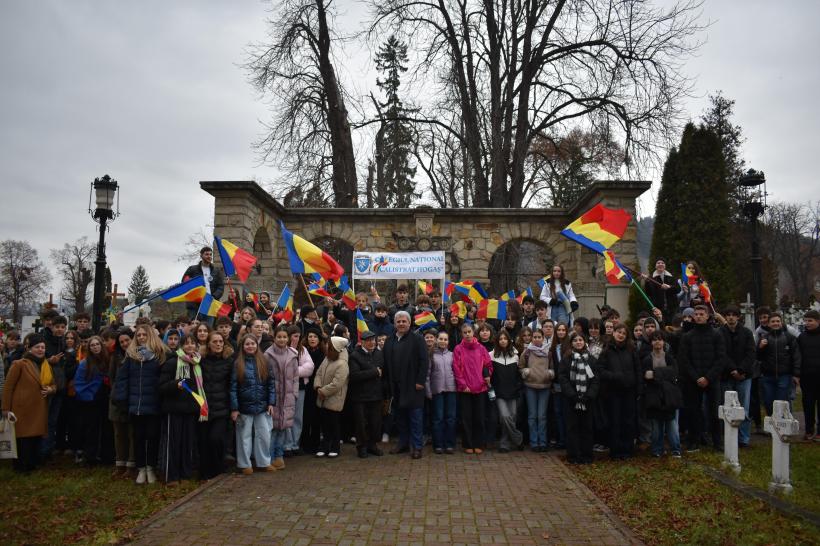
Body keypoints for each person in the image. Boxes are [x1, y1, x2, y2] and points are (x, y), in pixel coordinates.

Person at [114, 324, 165, 484]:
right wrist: (122, 401)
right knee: (138, 437)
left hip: (153, 404)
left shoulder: (159, 356)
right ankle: (141, 468)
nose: (141, 337)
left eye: (144, 335)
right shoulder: (131, 356)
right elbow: (122, 379)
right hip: (135, 405)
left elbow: (163, 379)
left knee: (152, 436)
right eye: (139, 335)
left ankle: (151, 467)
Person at [2, 334, 54, 472]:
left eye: (43, 347)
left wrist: (50, 389)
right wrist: (5, 408)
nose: (41, 350)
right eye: (37, 347)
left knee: (35, 438)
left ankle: (31, 464)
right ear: (29, 348)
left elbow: (53, 384)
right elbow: (8, 387)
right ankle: (20, 466)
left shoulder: (46, 365)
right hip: (22, 408)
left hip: (39, 408)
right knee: (23, 439)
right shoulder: (19, 364)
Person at [678, 305, 726, 452]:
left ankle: (717, 442)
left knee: (714, 412)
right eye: (696, 314)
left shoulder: (717, 335)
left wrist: (708, 377)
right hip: (694, 381)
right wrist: (696, 377)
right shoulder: (687, 336)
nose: (698, 316)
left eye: (701, 314)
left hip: (712, 379)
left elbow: (721, 358)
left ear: (707, 316)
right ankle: (694, 441)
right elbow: (684, 360)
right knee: (694, 411)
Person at [158, 334, 204, 485]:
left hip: (191, 409)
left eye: (193, 343)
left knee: (187, 443)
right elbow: (161, 386)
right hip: (174, 409)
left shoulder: (197, 363)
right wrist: (175, 384)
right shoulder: (172, 363)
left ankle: (185, 474)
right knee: (174, 443)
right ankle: (172, 475)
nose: (190, 346)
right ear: (181, 346)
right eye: (186, 344)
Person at [383, 311, 429, 459]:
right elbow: (385, 363)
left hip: (413, 386)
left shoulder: (417, 339)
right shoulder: (389, 340)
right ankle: (403, 443)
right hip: (396, 387)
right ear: (395, 324)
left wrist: (420, 382)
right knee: (400, 418)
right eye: (399, 321)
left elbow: (424, 361)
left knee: (415, 418)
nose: (401, 324)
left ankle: (417, 447)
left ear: (409, 323)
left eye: (404, 321)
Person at [231, 335, 276, 474]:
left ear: (257, 345)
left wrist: (271, 402)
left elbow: (271, 384)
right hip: (244, 407)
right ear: (242, 347)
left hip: (262, 406)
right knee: (244, 436)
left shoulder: (264, 362)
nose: (250, 346)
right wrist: (234, 408)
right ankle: (245, 464)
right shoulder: (238, 364)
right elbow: (233, 387)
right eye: (247, 344)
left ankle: (264, 462)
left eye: (253, 344)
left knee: (264, 435)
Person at [597, 323, 639, 460]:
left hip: (629, 391)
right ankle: (615, 451)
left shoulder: (631, 350)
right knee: (614, 421)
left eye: (623, 333)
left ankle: (627, 450)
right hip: (612, 392)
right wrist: (614, 376)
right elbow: (600, 370)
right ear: (613, 333)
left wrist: (638, 387)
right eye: (618, 332)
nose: (620, 335)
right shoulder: (607, 350)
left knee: (628, 421)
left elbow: (638, 369)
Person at [559, 333, 600, 464]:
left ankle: (587, 455)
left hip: (587, 400)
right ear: (571, 343)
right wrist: (572, 395)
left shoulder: (591, 359)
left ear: (585, 342)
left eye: (580, 340)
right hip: (571, 400)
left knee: (587, 428)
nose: (578, 342)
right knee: (572, 428)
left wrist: (589, 395)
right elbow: (562, 378)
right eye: (575, 340)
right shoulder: (566, 359)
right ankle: (574, 456)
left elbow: (595, 379)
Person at [452, 323, 493, 454]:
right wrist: (463, 385)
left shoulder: (481, 348)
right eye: (465, 332)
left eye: (469, 331)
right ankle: (468, 444)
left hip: (480, 388)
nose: (468, 334)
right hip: (465, 390)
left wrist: (487, 376)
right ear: (461, 334)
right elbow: (456, 369)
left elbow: (488, 365)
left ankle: (479, 443)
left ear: (473, 332)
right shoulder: (458, 349)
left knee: (479, 417)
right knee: (466, 418)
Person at [719, 304, 756, 448]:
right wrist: (732, 369)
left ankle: (743, 438)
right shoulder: (720, 332)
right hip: (727, 375)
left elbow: (751, 353)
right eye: (728, 315)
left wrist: (741, 370)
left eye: (733, 315)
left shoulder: (746, 333)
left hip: (744, 376)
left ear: (738, 317)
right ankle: (729, 436)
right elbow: (722, 353)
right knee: (728, 408)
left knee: (743, 408)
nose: (730, 317)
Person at [640, 331, 682, 457]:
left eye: (660, 339)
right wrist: (663, 374)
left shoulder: (669, 357)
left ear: (664, 341)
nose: (657, 342)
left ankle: (676, 449)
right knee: (656, 425)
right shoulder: (647, 359)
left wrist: (656, 373)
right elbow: (646, 375)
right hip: (654, 395)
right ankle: (657, 450)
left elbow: (674, 373)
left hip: (669, 396)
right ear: (651, 342)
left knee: (672, 424)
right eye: (654, 339)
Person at [264, 325, 300, 470]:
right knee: (272, 429)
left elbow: (296, 377)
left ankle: (279, 456)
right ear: (274, 338)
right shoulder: (268, 355)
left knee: (283, 429)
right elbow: (265, 377)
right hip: (274, 398)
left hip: (288, 397)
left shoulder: (292, 354)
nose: (282, 339)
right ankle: (269, 457)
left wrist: (295, 394)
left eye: (284, 337)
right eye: (279, 337)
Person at [199, 331, 233, 479]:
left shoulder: (229, 361)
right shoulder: (201, 360)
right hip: (204, 407)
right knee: (204, 441)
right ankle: (206, 472)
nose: (218, 344)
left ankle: (218, 468)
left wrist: (233, 407)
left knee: (216, 438)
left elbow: (232, 385)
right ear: (208, 344)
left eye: (221, 342)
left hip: (222, 407)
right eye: (215, 342)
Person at [73, 336, 111, 465]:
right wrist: (89, 396)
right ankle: (90, 456)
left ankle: (105, 455)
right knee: (91, 428)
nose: (95, 347)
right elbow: (79, 383)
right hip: (91, 400)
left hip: (104, 398)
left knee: (105, 428)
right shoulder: (85, 363)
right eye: (92, 345)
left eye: (97, 344)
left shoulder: (107, 360)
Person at [348, 330, 385, 458]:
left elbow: (384, 372)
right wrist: (374, 372)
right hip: (360, 396)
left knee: (375, 422)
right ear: (362, 342)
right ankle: (362, 446)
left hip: (376, 394)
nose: (372, 343)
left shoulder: (379, 354)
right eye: (368, 341)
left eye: (373, 340)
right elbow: (354, 375)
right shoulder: (354, 355)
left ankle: (372, 445)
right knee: (361, 423)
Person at [757, 311, 801, 417]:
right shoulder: (764, 338)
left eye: (778, 321)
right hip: (768, 376)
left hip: (784, 376)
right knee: (768, 402)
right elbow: (757, 357)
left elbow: (796, 356)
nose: (775, 323)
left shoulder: (789, 337)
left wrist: (796, 374)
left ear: (781, 323)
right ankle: (773, 427)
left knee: (782, 402)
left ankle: (783, 427)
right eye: (773, 321)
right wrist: (760, 348)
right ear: (769, 324)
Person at [313, 336, 350, 458]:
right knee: (324, 425)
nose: (327, 346)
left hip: (334, 399)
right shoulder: (327, 359)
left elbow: (337, 383)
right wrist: (318, 387)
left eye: (330, 345)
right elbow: (318, 373)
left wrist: (323, 391)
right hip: (322, 397)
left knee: (334, 424)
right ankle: (324, 447)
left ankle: (335, 447)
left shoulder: (342, 364)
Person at [518, 328, 554, 451]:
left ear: (543, 338)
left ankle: (543, 442)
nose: (537, 339)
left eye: (539, 337)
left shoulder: (548, 353)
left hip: (544, 387)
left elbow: (553, 367)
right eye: (535, 337)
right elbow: (520, 366)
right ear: (532, 339)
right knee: (532, 416)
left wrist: (550, 374)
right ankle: (534, 442)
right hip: (530, 387)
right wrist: (525, 372)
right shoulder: (527, 352)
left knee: (542, 416)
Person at [284, 325, 315, 456]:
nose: (296, 338)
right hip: (286, 387)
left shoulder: (303, 350)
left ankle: (295, 444)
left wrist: (294, 371)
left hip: (301, 387)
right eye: (294, 336)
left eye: (298, 336)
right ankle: (287, 445)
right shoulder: (283, 349)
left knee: (298, 417)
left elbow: (309, 367)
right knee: (287, 416)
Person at [490, 330, 522, 452]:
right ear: (497, 341)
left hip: (513, 392)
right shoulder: (491, 355)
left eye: (505, 338)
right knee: (504, 416)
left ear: (509, 340)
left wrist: (517, 387)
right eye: (500, 339)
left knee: (512, 417)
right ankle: (518, 438)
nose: (503, 340)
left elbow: (518, 375)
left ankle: (505, 444)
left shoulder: (515, 356)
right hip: (499, 392)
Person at [109, 328, 135, 476]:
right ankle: (120, 463)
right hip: (117, 400)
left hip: (132, 398)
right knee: (119, 433)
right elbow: (111, 377)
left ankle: (131, 465)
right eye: (122, 342)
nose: (125, 343)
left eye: (127, 340)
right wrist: (117, 394)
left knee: (132, 433)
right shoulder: (115, 357)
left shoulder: (137, 355)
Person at [426, 331, 456, 454]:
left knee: (451, 418)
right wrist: (428, 391)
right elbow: (427, 375)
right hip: (436, 390)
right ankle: (438, 444)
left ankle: (449, 444)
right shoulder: (431, 355)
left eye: (445, 339)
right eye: (441, 339)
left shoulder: (452, 355)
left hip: (451, 390)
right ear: (437, 340)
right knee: (438, 418)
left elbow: (456, 371)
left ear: (448, 341)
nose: (443, 341)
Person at [182, 246, 225, 319]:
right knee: (194, 328)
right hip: (194, 305)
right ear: (201, 255)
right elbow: (184, 282)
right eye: (207, 254)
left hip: (209, 304)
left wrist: (214, 296)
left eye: (210, 254)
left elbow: (221, 286)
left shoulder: (216, 271)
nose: (209, 256)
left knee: (208, 328)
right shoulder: (192, 269)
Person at [798, 310, 819, 440]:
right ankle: (809, 430)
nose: (807, 323)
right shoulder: (802, 337)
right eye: (806, 321)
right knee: (808, 404)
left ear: (818, 321)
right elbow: (798, 356)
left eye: (810, 321)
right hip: (807, 376)